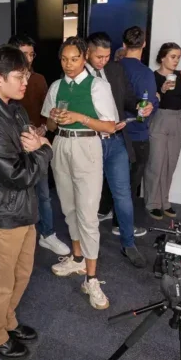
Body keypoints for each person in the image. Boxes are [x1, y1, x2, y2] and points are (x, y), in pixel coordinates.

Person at [0, 45, 53, 360]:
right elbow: (16, 173)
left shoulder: (12, 107)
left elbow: (28, 138)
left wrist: (35, 145)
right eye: (19, 76)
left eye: (26, 74)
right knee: (0, 281)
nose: (25, 82)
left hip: (20, 209)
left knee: (21, 272)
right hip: (1, 215)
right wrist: (44, 150)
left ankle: (7, 320)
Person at [42, 37, 118, 310]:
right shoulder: (56, 86)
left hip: (87, 144)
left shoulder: (98, 86)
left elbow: (110, 127)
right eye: (64, 59)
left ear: (84, 57)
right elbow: (49, 124)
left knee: (87, 214)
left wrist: (80, 117)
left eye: (74, 58)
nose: (69, 64)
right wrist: (54, 116)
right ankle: (76, 259)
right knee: (69, 208)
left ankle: (92, 277)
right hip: (61, 144)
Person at [84, 33, 149, 268]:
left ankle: (128, 243)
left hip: (116, 141)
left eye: (107, 56)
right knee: (88, 197)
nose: (103, 61)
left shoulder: (116, 70)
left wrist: (142, 106)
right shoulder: (76, 76)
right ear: (87, 53)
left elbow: (129, 99)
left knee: (122, 193)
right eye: (98, 56)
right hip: (90, 142)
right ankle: (86, 247)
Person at [8, 34, 69, 256]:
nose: (29, 58)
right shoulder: (6, 81)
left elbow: (47, 113)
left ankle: (48, 234)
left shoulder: (40, 79)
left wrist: (44, 127)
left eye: (31, 54)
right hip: (14, 147)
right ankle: (20, 236)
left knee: (43, 193)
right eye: (24, 54)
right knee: (18, 195)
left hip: (37, 143)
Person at [145, 43, 181, 221]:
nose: (176, 60)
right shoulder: (152, 76)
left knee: (170, 163)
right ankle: (152, 203)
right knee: (156, 163)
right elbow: (147, 101)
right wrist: (160, 91)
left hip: (178, 120)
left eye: (178, 57)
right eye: (173, 56)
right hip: (159, 119)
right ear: (162, 57)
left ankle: (164, 201)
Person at [118, 27, 160, 207]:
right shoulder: (145, 73)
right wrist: (158, 99)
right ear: (144, 44)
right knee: (132, 181)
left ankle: (104, 211)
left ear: (123, 44)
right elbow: (148, 107)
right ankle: (121, 223)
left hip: (112, 132)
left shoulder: (112, 69)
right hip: (137, 134)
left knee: (111, 178)